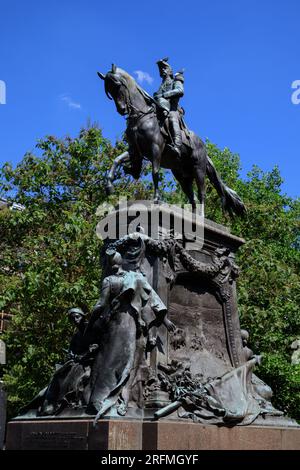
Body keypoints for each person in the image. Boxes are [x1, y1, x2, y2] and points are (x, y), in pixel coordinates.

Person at [153, 57, 184, 157]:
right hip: (160, 110)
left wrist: (164, 95)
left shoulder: (175, 81)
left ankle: (177, 145)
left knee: (172, 119)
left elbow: (180, 91)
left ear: (169, 71)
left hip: (173, 110)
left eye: (164, 69)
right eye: (161, 69)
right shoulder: (161, 86)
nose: (162, 71)